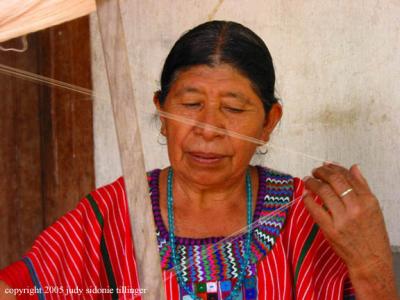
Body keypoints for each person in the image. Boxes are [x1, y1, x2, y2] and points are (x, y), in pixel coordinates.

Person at [0, 20, 398, 300]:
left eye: (234, 108)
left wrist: (371, 261)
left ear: (268, 123)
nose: (209, 128)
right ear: (161, 110)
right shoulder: (112, 214)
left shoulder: (310, 219)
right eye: (190, 104)